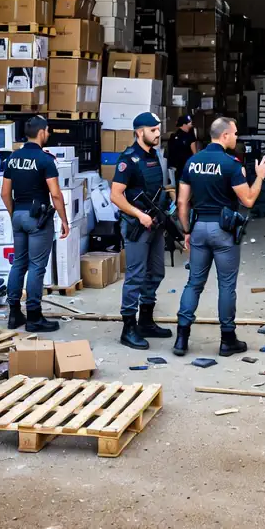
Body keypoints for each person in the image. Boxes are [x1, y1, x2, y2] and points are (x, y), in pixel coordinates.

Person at [173, 117, 265, 358]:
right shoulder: (231, 164)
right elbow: (247, 200)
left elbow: (182, 201)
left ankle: (181, 339)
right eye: (235, 133)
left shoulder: (192, 162)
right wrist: (259, 176)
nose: (237, 137)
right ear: (225, 135)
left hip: (198, 228)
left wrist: (186, 230)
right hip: (223, 230)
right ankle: (227, 339)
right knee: (226, 285)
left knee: (193, 283)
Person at [0, 115, 69, 334]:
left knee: (18, 264)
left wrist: (15, 214)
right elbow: (56, 194)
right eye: (47, 131)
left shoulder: (13, 158)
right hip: (38, 218)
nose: (48, 134)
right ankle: (34, 316)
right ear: (41, 133)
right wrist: (64, 220)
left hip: (18, 214)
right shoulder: (45, 159)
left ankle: (13, 313)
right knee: (37, 267)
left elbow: (4, 193)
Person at [109, 112, 171, 350]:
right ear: (139, 132)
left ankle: (146, 320)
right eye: (153, 130)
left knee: (156, 272)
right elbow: (115, 195)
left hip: (155, 223)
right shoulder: (129, 159)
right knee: (135, 275)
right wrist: (139, 214)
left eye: (158, 129)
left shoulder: (153, 155)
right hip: (137, 226)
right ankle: (128, 327)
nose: (157, 133)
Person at [166, 114, 198, 184]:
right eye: (189, 122)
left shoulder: (176, 135)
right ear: (184, 124)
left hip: (182, 167)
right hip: (182, 168)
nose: (191, 124)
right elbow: (194, 153)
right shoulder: (177, 136)